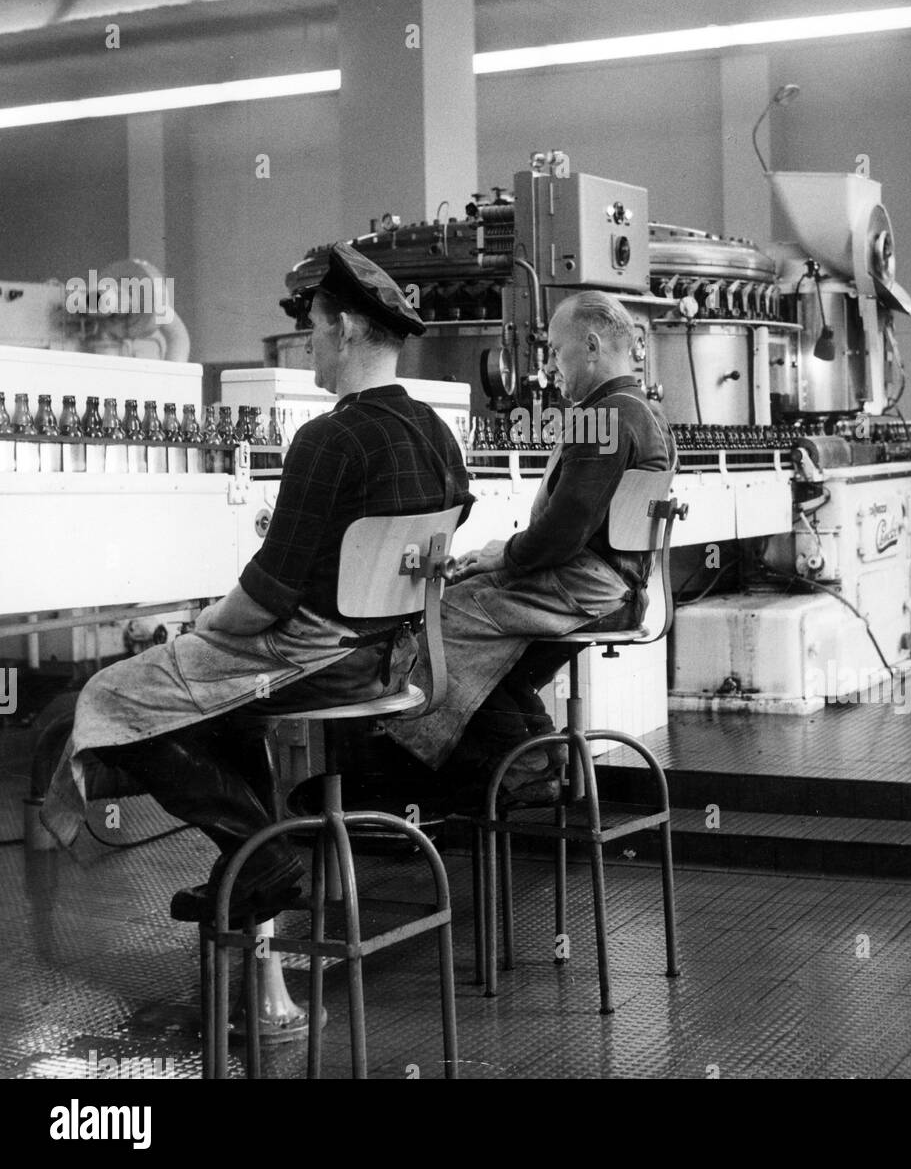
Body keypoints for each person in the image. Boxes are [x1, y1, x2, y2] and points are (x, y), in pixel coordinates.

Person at [42, 243, 470, 922]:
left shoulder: (329, 439)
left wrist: (202, 627)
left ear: (347, 330)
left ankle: (257, 854)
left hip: (316, 665)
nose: (308, 347)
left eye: (314, 329)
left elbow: (266, 598)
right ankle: (249, 863)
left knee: (111, 694)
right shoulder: (437, 435)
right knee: (215, 696)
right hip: (391, 660)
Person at [384, 290, 677, 803]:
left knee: (442, 616)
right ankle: (534, 764)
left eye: (557, 353)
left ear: (590, 345)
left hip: (585, 586)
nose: (551, 369)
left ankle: (460, 776)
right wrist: (506, 555)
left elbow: (564, 532)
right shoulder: (646, 414)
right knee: (494, 651)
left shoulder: (604, 419)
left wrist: (505, 555)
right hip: (619, 587)